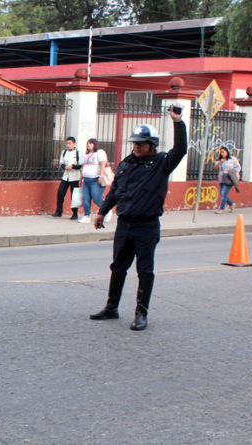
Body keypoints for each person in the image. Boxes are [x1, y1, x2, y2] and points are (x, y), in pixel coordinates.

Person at [90, 105, 186, 331]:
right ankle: (111, 307)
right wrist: (102, 211)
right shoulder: (127, 163)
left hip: (147, 226)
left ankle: (141, 313)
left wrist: (178, 122)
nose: (136, 147)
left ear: (151, 145)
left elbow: (180, 150)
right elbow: (115, 191)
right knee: (117, 267)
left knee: (144, 270)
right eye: (134, 143)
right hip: (124, 224)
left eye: (141, 143)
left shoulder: (162, 163)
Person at [78, 138, 111, 223]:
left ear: (95, 144)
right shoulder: (85, 155)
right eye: (88, 143)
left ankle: (107, 210)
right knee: (86, 198)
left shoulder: (99, 153)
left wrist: (101, 176)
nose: (88, 145)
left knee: (96, 198)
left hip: (95, 179)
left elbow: (103, 164)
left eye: (90, 143)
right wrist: (80, 178)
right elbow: (83, 167)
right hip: (86, 180)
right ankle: (86, 216)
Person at [52, 137, 82, 219]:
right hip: (65, 176)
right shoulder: (64, 152)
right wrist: (65, 166)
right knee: (60, 193)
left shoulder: (78, 153)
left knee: (74, 196)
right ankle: (59, 211)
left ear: (74, 144)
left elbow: (81, 165)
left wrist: (73, 166)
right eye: (67, 143)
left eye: (70, 143)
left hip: (75, 177)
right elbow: (61, 163)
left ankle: (75, 213)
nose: (68, 145)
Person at [214, 146, 241, 214]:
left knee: (223, 193)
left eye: (223, 152)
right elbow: (215, 168)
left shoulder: (232, 159)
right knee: (222, 194)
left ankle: (222, 208)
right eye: (221, 152)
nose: (222, 153)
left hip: (230, 179)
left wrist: (230, 171)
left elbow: (238, 168)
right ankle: (231, 204)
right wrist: (220, 162)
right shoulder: (219, 160)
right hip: (222, 179)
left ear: (227, 152)